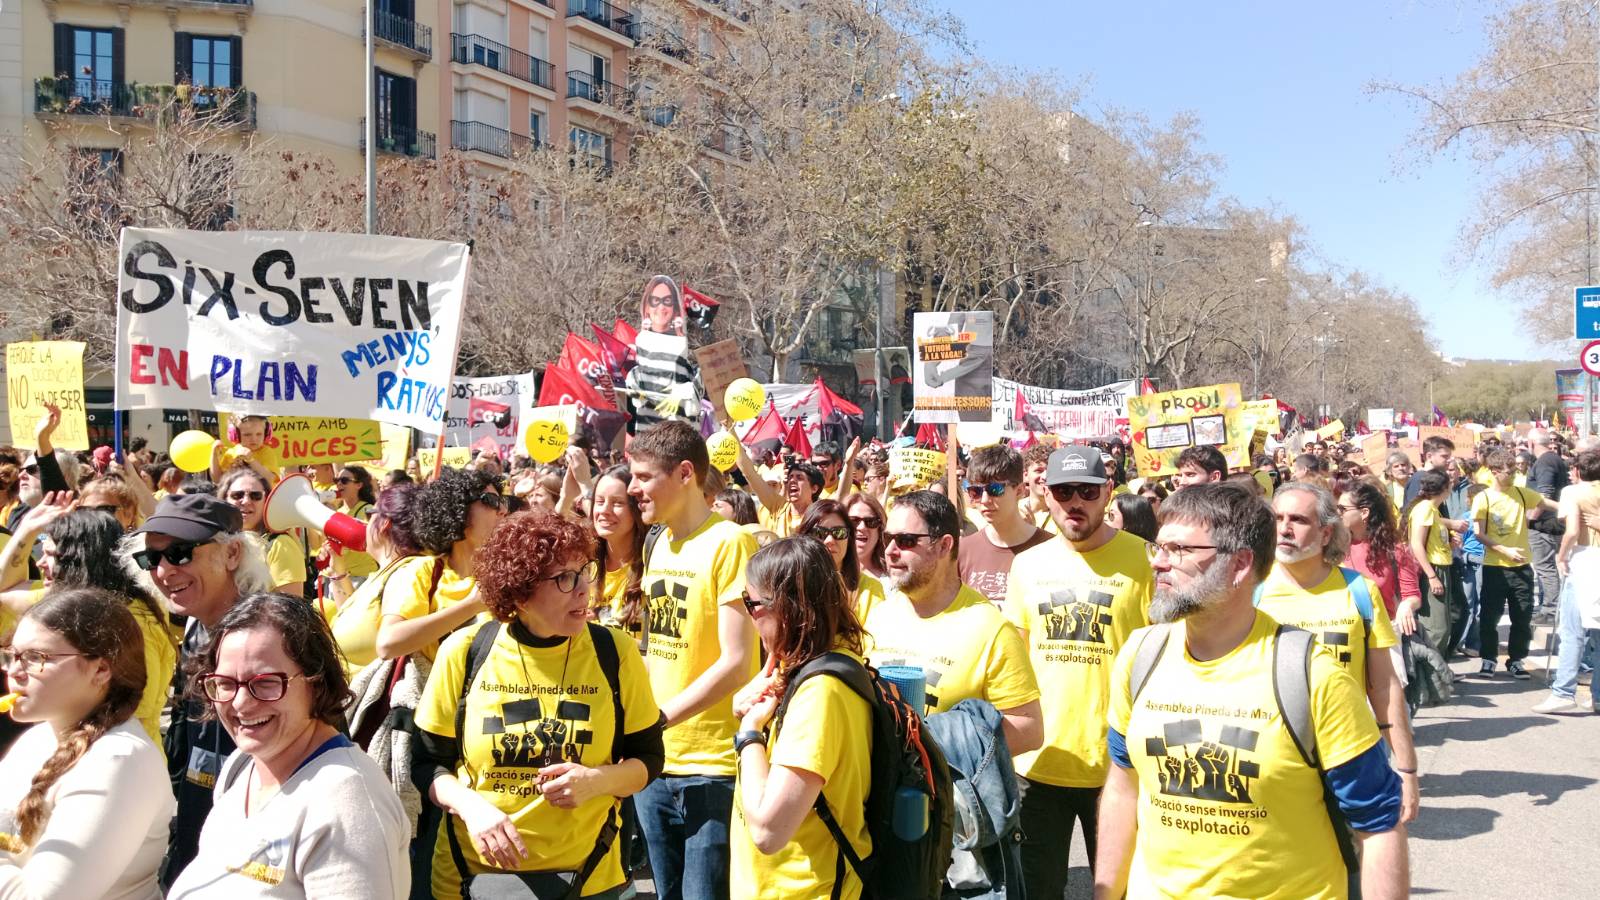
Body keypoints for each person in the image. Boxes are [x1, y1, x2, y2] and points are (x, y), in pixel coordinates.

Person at [1096, 483, 1407, 899]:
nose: (1159, 564)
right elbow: (1122, 787)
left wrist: (1408, 766)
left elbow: (1379, 824)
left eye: (1180, 551)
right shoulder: (1140, 653)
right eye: (1158, 548)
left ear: (1240, 564)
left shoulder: (1313, 675)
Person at [414, 514, 663, 900]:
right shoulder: (464, 652)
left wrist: (597, 780)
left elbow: (648, 759)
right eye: (565, 578)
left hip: (591, 877)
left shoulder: (615, 651)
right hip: (472, 880)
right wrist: (470, 807)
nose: (585, 589)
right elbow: (428, 763)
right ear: (519, 594)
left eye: (585, 571)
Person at [167, 593, 410, 898]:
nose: (241, 703)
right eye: (226, 683)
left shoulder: (347, 801)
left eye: (266, 682)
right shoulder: (241, 766)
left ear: (315, 682)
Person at [1001, 446, 1152, 898]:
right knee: (1036, 891)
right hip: (1038, 763)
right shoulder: (1027, 565)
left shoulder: (1145, 560)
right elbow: (1015, 660)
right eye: (1064, 492)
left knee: (1119, 889)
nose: (1075, 503)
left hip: (1119, 766)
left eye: (1086, 491)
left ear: (1107, 492)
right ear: (1044, 494)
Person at [627, 419, 760, 900]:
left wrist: (656, 719)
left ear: (686, 473)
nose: (633, 488)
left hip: (714, 766)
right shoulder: (657, 542)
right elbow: (653, 645)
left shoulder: (731, 543)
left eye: (644, 477)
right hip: (655, 761)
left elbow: (737, 662)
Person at [124, 492, 274, 887]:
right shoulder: (196, 624)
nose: (164, 571)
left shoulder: (269, 634)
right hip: (199, 816)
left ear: (232, 554)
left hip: (254, 845)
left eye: (181, 552)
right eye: (152, 558)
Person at [1258, 482, 1419, 823]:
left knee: (1358, 863)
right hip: (1271, 757)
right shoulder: (1249, 592)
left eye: (1298, 520)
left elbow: (1384, 686)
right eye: (1278, 518)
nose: (1284, 528)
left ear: (1327, 533)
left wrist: (1406, 768)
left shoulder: (1360, 591)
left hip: (1352, 754)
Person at [0, 588, 173, 899]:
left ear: (101, 669)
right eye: (11, 655)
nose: (14, 672)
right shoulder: (38, 736)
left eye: (35, 658)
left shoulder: (120, 761)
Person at [728, 537, 873, 899]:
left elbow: (767, 830)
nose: (749, 615)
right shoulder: (812, 669)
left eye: (753, 603)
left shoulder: (820, 694)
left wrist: (749, 735)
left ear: (789, 610)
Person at [862, 490, 1043, 751]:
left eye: (906, 541)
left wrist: (937, 750)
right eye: (888, 538)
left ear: (945, 546)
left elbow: (1029, 729)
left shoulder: (991, 628)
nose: (890, 551)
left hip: (949, 789)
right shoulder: (879, 616)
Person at [375, 467, 502, 664]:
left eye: (502, 502)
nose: (502, 510)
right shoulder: (423, 571)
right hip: (437, 693)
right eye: (491, 501)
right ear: (458, 509)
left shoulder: (507, 572)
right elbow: (388, 644)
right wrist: (471, 606)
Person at [1471, 449, 1557, 679]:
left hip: (1521, 569)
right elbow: (1478, 533)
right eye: (1508, 472)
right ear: (1495, 472)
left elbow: (1546, 502)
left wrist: (1574, 506)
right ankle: (1488, 658)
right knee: (1490, 616)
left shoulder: (1521, 493)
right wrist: (1503, 549)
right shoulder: (1484, 497)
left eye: (1514, 470)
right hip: (1494, 567)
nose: (1513, 475)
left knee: (1522, 616)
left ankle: (1516, 659)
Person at [325, 485, 426, 678]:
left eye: (370, 514)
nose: (365, 523)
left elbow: (390, 640)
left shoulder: (408, 572)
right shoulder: (387, 572)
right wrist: (338, 572)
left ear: (384, 524)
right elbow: (355, 618)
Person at [1534, 447, 1600, 714]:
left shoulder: (1573, 492)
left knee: (1572, 630)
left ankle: (1563, 691)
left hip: (1584, 560)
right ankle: (1598, 694)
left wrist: (1561, 556)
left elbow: (1572, 530)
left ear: (1576, 471)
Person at [956, 444, 1052, 605]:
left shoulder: (1051, 548)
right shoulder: (962, 551)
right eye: (976, 491)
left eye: (995, 489)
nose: (985, 500)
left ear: (1020, 491)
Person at [219, 467, 306, 597]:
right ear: (225, 499)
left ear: (266, 502)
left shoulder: (280, 544)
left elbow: (288, 610)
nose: (246, 501)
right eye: (237, 495)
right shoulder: (215, 540)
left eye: (255, 496)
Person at [799, 499, 887, 622]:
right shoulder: (792, 585)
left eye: (839, 532)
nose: (830, 540)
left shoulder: (870, 589)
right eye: (819, 533)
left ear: (849, 539)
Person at [1403, 470, 1458, 658]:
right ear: (1444, 488)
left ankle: (1438, 673)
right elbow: (1416, 543)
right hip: (1432, 570)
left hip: (1441, 566)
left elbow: (1432, 542)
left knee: (1443, 625)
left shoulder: (1432, 509)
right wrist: (1432, 576)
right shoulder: (1425, 508)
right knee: (1435, 629)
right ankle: (1429, 675)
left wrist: (1451, 544)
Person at [592, 465, 646, 639]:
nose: (604, 511)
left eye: (617, 503)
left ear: (636, 509)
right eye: (599, 502)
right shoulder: (582, 566)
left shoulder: (654, 567)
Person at [1525, 430, 1570, 622]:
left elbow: (1545, 494)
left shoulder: (1545, 461)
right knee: (1547, 567)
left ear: (1531, 443)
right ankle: (1548, 607)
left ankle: (1551, 610)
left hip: (1545, 524)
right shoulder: (1551, 460)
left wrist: (1531, 519)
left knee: (1545, 567)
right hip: (1549, 522)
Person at [330, 465, 380, 582]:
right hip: (340, 577)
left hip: (363, 576)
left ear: (359, 485)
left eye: (344, 481)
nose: (339, 484)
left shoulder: (369, 510)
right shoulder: (338, 512)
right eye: (337, 480)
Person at [209, 415, 282, 485]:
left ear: (266, 434)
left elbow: (270, 478)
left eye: (259, 434)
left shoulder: (267, 452)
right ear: (236, 435)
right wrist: (214, 454)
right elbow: (218, 480)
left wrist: (251, 460)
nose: (254, 439)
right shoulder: (231, 453)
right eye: (247, 435)